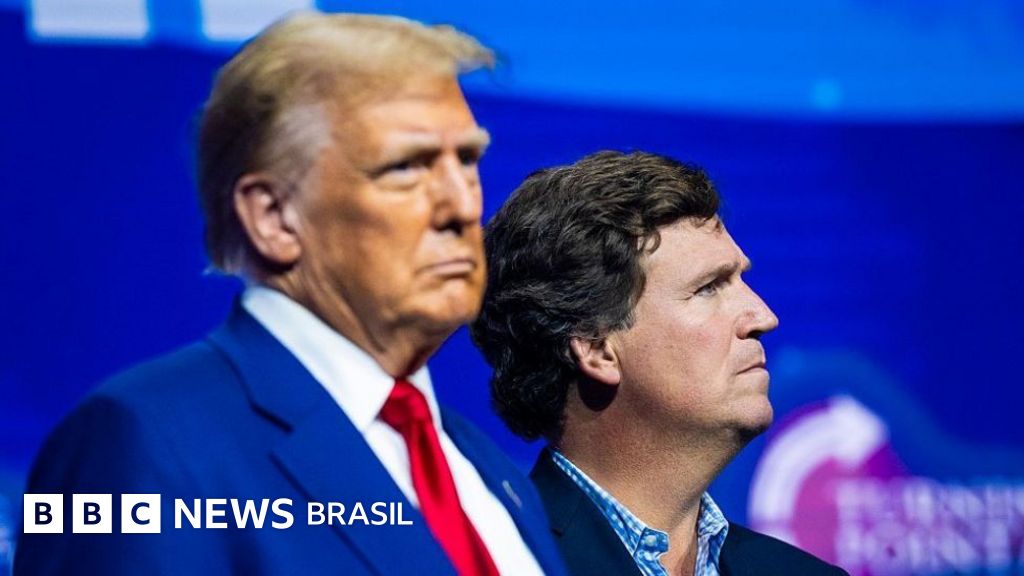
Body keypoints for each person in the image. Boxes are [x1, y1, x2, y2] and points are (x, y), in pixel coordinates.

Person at [16, 12, 565, 576]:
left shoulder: (490, 472)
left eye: (467, 160)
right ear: (274, 217)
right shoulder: (135, 442)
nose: (463, 205)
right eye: (406, 167)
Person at [471, 151, 848, 575]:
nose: (764, 317)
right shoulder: (500, 560)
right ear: (597, 348)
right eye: (708, 288)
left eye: (741, 280)